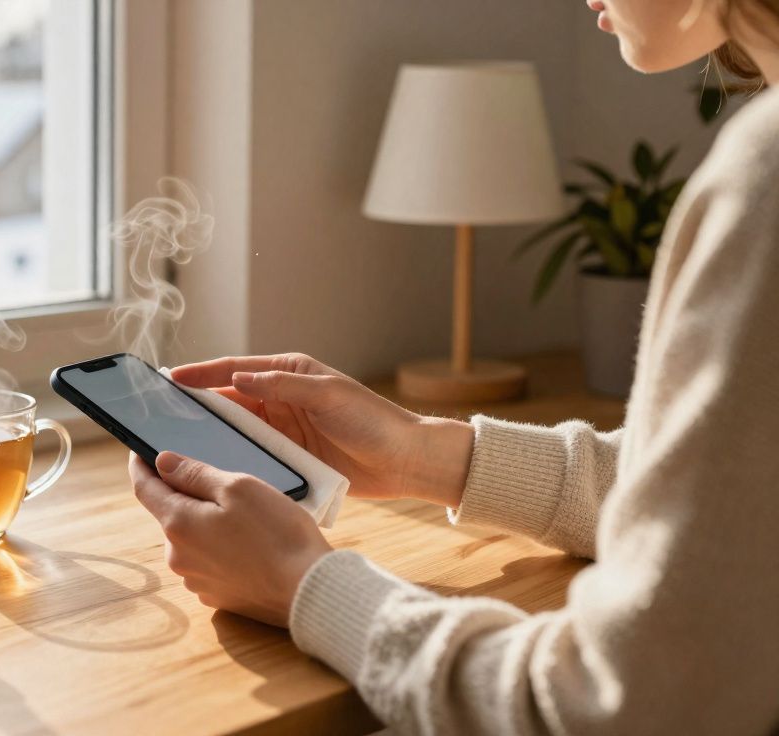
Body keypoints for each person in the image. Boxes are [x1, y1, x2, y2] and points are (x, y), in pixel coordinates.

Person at [128, 0, 779, 732]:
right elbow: (739, 504)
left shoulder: (767, 175)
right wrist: (425, 455)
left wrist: (302, 585)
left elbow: (622, 709)